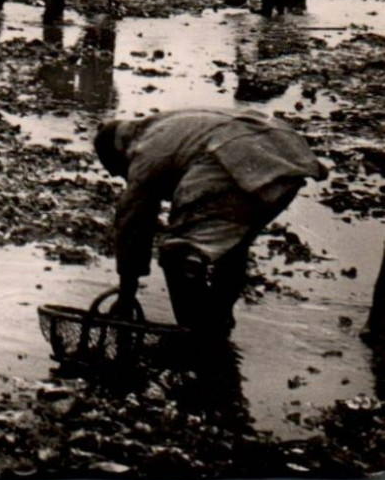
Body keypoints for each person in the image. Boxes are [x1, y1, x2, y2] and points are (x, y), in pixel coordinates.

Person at [95, 110, 324, 341]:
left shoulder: (146, 151)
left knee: (178, 254)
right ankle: (218, 320)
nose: (124, 178)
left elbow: (133, 223)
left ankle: (196, 339)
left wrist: (126, 295)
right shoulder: (168, 123)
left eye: (118, 171)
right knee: (234, 244)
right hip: (285, 157)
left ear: (118, 153)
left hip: (235, 157)